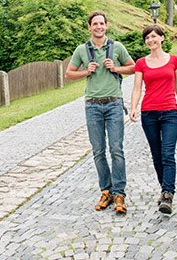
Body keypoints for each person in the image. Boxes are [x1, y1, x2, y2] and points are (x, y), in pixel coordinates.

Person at [66, 11, 135, 214]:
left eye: (101, 23)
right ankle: (106, 191)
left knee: (116, 149)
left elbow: (133, 67)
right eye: (95, 24)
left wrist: (116, 68)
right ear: (89, 27)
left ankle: (120, 193)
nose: (98, 27)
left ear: (106, 26)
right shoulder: (82, 50)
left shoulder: (117, 47)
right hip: (92, 105)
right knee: (98, 151)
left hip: (114, 104)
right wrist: (86, 72)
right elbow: (69, 74)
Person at [129, 25, 177, 214]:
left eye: (153, 36)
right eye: (147, 38)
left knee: (168, 153)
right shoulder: (141, 63)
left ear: (162, 38)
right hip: (149, 114)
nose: (150, 40)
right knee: (156, 155)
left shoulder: (174, 61)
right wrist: (134, 107)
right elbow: (137, 87)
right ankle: (165, 188)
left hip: (170, 111)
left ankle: (168, 194)